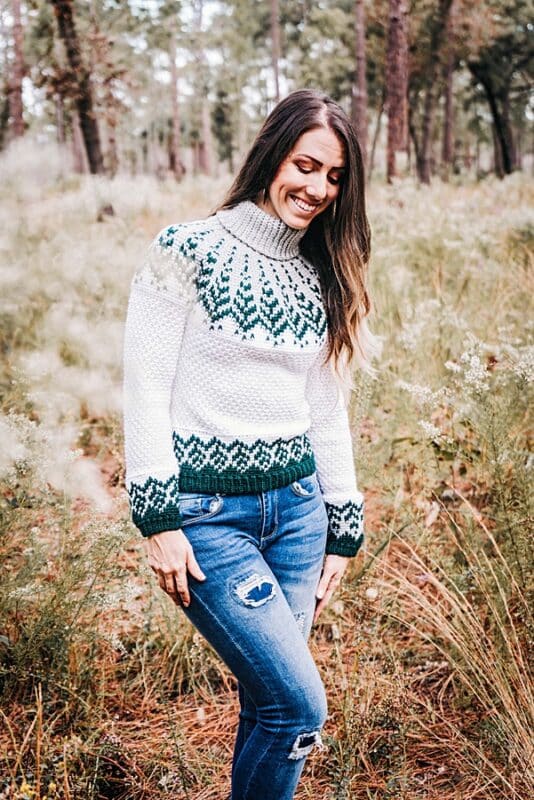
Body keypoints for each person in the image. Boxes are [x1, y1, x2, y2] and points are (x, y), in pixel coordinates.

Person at [122, 88, 377, 800]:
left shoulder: (316, 276)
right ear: (273, 154)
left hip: (298, 517)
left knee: (266, 703)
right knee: (298, 707)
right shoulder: (185, 249)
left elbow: (324, 409)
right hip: (209, 523)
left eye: (335, 178)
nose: (318, 189)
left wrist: (344, 527)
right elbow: (145, 385)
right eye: (307, 165)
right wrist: (159, 519)